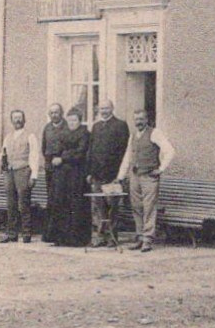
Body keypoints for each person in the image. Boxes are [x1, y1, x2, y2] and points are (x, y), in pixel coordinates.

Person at [117, 110, 176, 252]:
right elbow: (127, 156)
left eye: (141, 119)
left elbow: (170, 151)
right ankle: (139, 237)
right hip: (135, 175)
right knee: (137, 207)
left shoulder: (155, 133)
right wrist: (121, 176)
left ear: (147, 119)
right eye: (136, 119)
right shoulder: (133, 136)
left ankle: (148, 239)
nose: (139, 122)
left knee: (149, 207)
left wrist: (161, 169)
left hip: (149, 176)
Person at [86, 101, 131, 247]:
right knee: (99, 207)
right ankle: (101, 236)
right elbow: (91, 151)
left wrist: (120, 175)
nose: (103, 111)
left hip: (113, 175)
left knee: (113, 207)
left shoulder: (120, 125)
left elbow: (124, 151)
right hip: (97, 175)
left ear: (112, 109)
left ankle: (113, 236)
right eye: (101, 109)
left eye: (106, 108)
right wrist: (90, 172)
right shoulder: (96, 126)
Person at [47, 108, 91, 246]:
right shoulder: (64, 133)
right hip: (62, 174)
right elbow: (56, 149)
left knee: (76, 204)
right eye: (70, 120)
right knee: (60, 203)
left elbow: (80, 152)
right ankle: (60, 237)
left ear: (80, 120)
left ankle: (76, 239)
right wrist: (56, 157)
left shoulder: (85, 133)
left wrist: (63, 157)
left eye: (75, 120)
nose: (72, 123)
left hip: (77, 174)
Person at [0, 109, 42, 243]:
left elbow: (34, 156)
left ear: (24, 120)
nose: (17, 120)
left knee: (23, 204)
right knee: (11, 204)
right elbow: (3, 153)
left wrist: (33, 175)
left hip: (23, 171)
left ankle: (26, 233)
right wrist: (3, 166)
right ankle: (11, 233)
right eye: (15, 118)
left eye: (20, 118)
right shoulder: (8, 136)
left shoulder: (30, 136)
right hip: (10, 172)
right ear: (11, 121)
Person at [39, 104, 67, 243]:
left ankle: (61, 235)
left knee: (61, 200)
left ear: (62, 113)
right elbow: (44, 148)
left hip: (63, 166)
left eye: (56, 112)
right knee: (51, 200)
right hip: (50, 167)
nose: (54, 115)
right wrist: (48, 163)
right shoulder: (47, 128)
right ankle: (50, 234)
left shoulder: (67, 127)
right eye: (51, 113)